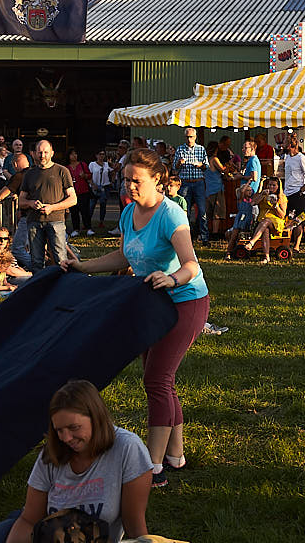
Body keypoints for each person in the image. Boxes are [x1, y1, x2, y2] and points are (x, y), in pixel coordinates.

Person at [62, 149, 209, 488]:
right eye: (126, 179)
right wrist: (83, 266)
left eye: (137, 180)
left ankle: (152, 468)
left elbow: (191, 264)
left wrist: (171, 279)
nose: (129, 186)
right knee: (161, 380)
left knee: (156, 380)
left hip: (185, 301)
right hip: (151, 303)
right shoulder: (129, 212)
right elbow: (124, 254)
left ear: (158, 180)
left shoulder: (171, 215)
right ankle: (175, 455)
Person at [0, 380, 152, 542]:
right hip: (38, 532)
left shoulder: (127, 448)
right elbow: (28, 519)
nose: (66, 438)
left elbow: (135, 528)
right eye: (59, 430)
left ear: (96, 417)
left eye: (74, 427)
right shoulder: (53, 453)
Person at [18, 140, 77, 269]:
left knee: (61, 260)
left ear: (52, 153)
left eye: (46, 152)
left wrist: (52, 207)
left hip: (56, 221)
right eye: (40, 152)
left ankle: (63, 281)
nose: (42, 155)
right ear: (34, 154)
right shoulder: (29, 174)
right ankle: (40, 282)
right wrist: (30, 203)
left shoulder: (62, 171)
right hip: (34, 222)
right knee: (36, 261)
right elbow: (21, 201)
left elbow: (73, 199)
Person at [172, 128, 210, 245]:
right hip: (185, 182)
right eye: (187, 137)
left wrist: (200, 165)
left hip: (198, 182)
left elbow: (206, 166)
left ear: (195, 137)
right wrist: (179, 163)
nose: (189, 139)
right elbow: (174, 167)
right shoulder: (180, 149)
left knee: (202, 211)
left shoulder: (201, 149)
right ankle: (186, 237)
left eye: (191, 137)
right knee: (185, 211)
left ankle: (204, 237)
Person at [244, 178, 290, 263]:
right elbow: (253, 203)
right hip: (262, 222)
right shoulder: (264, 194)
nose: (271, 187)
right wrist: (262, 195)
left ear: (278, 187)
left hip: (276, 222)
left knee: (266, 221)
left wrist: (275, 206)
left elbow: (282, 215)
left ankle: (252, 242)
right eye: (269, 185)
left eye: (274, 185)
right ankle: (266, 257)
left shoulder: (281, 197)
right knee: (265, 229)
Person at [282, 136, 305, 253]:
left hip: (298, 192)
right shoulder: (287, 157)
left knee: (298, 220)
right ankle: (286, 243)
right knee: (288, 218)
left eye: (284, 143)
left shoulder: (301, 158)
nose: (282, 145)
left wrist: (302, 190)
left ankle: (297, 246)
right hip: (287, 192)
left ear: (290, 145)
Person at [66, 150, 94, 238]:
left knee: (85, 211)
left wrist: (84, 175)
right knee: (74, 212)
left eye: (75, 154)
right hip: (72, 193)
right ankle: (76, 229)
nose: (74, 156)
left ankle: (88, 228)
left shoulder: (82, 165)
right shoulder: (66, 168)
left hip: (83, 191)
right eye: (72, 154)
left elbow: (90, 175)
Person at [89, 149, 114, 232]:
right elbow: (89, 175)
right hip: (95, 187)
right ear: (96, 155)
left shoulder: (107, 164)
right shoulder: (92, 164)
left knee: (103, 205)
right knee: (91, 205)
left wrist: (112, 181)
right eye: (100, 154)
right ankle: (88, 222)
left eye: (103, 154)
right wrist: (93, 185)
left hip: (104, 186)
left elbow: (113, 171)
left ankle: (101, 222)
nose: (101, 156)